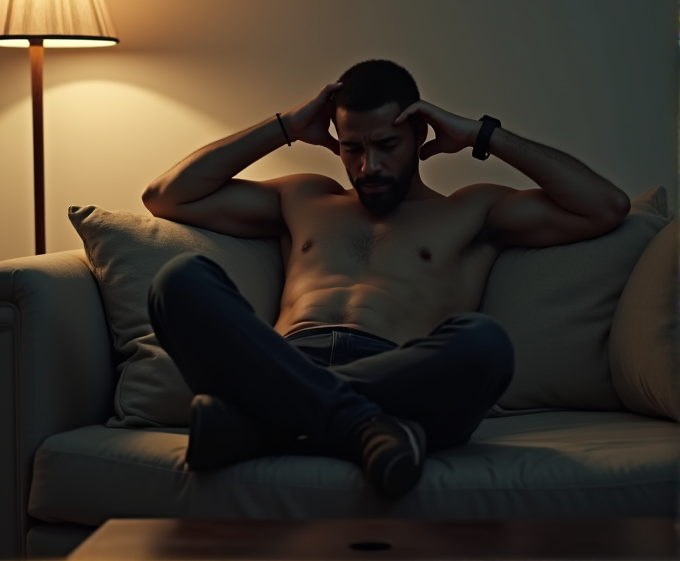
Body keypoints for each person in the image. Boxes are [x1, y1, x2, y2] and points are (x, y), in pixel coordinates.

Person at [142, 59, 630, 499]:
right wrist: (287, 126)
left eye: (386, 145)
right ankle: (364, 426)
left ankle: (261, 424)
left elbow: (605, 206)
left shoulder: (470, 210)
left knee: (484, 343)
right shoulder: (305, 197)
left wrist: (482, 135)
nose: (367, 166)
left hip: (399, 371)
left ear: (420, 133)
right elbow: (167, 196)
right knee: (179, 280)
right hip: (285, 360)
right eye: (351, 148)